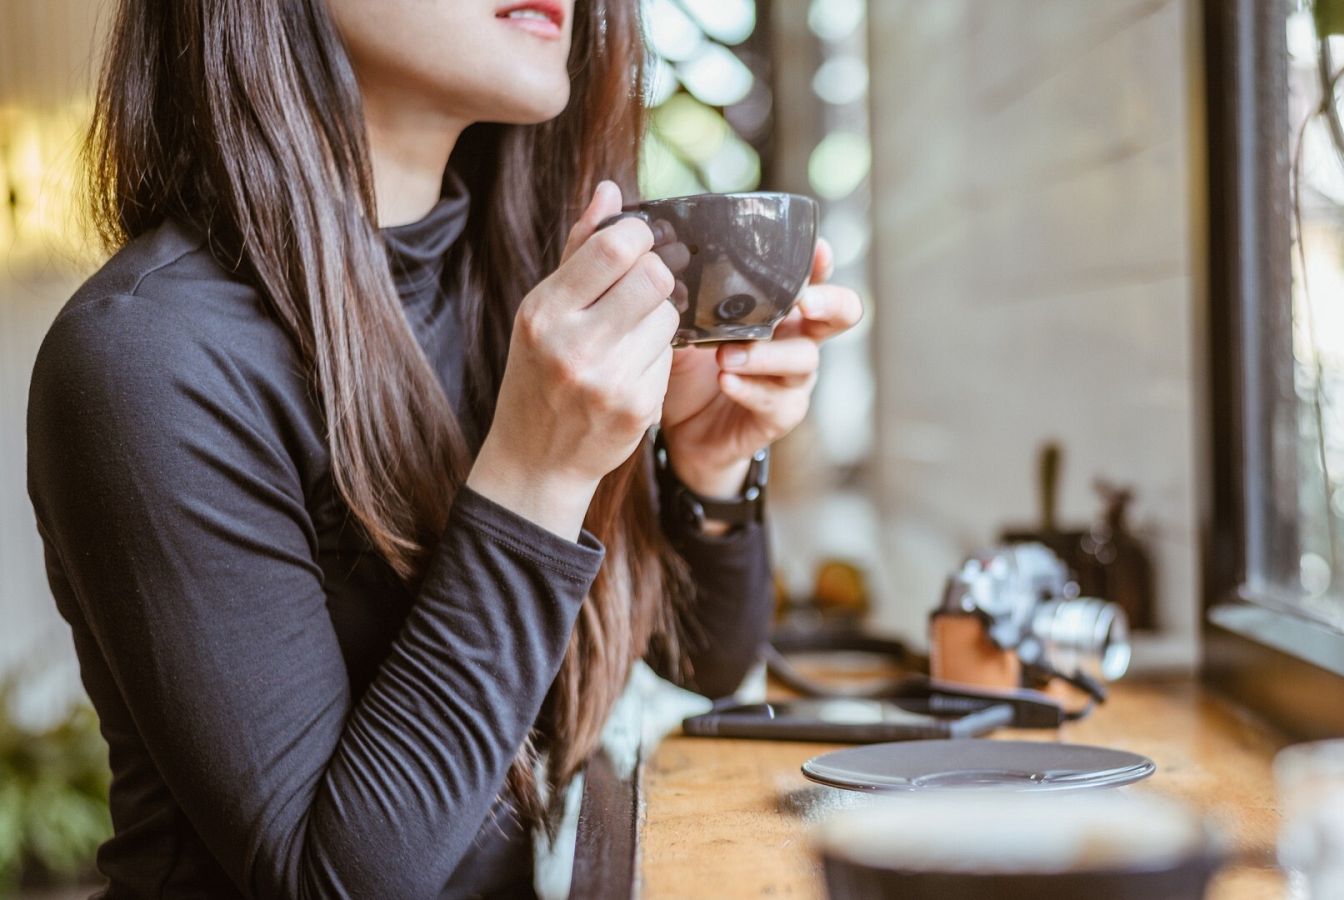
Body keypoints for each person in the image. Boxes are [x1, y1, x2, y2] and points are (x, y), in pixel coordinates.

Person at [25, 0, 861, 896]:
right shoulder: (150, 355)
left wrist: (705, 468)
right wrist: (536, 477)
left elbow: (696, 663)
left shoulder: (518, 287)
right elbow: (334, 880)